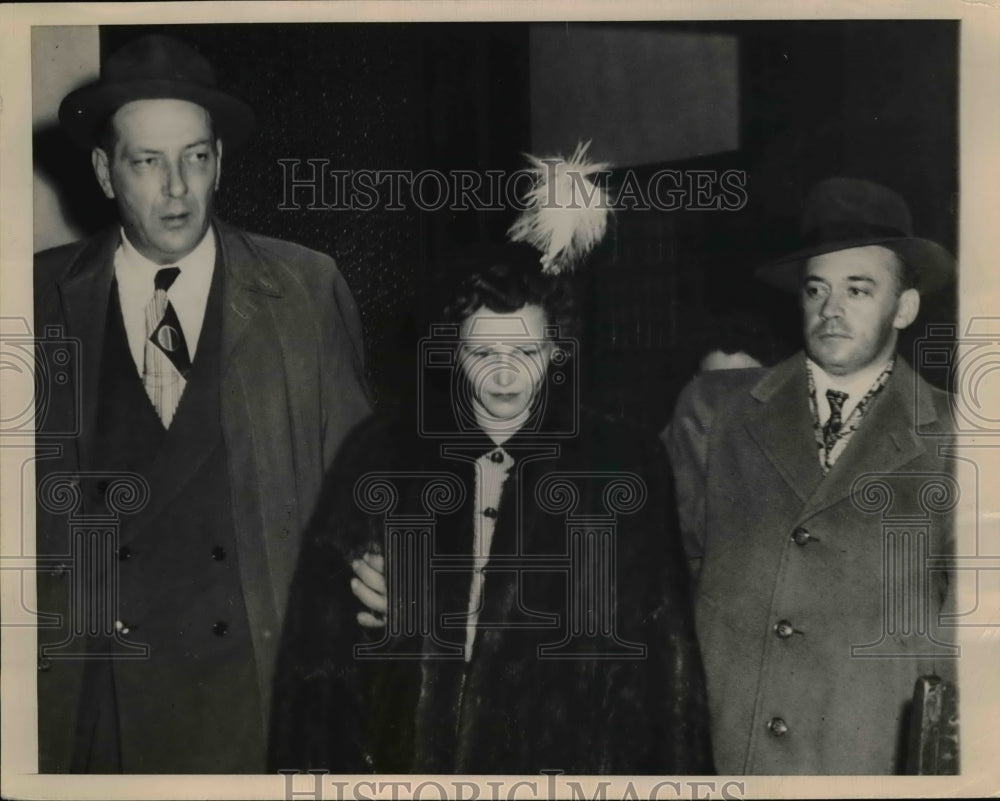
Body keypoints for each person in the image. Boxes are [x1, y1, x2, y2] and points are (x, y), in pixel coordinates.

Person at [33, 34, 370, 773]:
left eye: (195, 156)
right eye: (147, 161)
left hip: (252, 690)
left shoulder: (304, 290)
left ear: (219, 160)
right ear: (102, 170)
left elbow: (360, 488)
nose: (177, 188)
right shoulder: (31, 298)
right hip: (99, 699)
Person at [270, 245, 714, 774]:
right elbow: (316, 656)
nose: (504, 379)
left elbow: (664, 665)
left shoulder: (622, 463)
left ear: (556, 350)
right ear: (453, 351)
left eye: (525, 354)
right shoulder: (381, 454)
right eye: (483, 355)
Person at [665, 177, 958, 774]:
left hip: (869, 758)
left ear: (904, 307)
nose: (831, 309)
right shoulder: (716, 413)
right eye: (816, 289)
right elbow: (676, 578)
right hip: (730, 756)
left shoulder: (958, 435)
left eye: (858, 289)